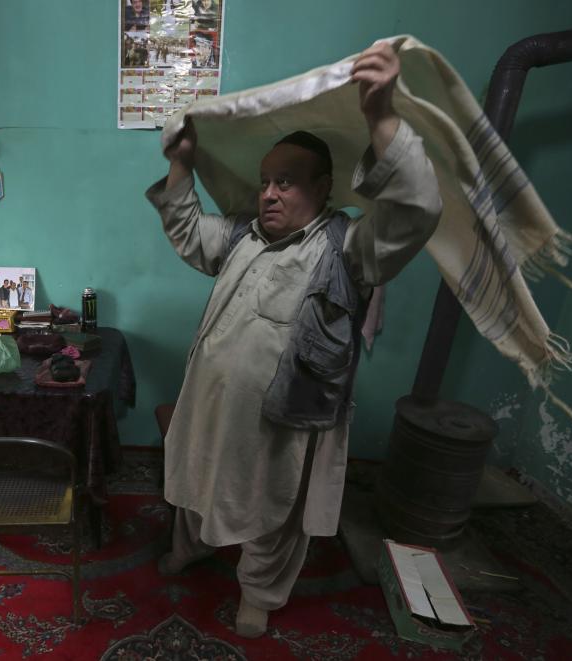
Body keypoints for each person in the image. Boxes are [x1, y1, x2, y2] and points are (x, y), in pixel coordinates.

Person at [144, 42, 442, 638]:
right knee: (196, 480)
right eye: (264, 182)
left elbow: (414, 212)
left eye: (286, 182)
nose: (270, 193)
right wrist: (181, 164)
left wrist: (382, 116)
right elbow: (182, 228)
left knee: (272, 510)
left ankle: (258, 592)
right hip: (211, 405)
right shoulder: (240, 238)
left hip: (284, 422)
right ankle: (193, 547)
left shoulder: (348, 249)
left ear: (324, 189)